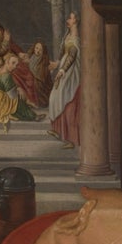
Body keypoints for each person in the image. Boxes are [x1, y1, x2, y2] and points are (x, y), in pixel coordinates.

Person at [45, 11, 81, 147]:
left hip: (72, 75)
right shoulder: (69, 35)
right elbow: (64, 53)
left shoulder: (76, 38)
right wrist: (57, 63)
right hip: (65, 71)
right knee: (55, 98)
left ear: (75, 21)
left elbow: (71, 56)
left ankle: (71, 139)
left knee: (68, 103)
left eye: (70, 18)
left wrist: (62, 70)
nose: (67, 20)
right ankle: (57, 129)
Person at [0, 52, 39, 125]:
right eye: (13, 63)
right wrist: (23, 96)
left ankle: (28, 110)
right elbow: (12, 96)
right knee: (17, 100)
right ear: (7, 62)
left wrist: (18, 88)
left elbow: (5, 87)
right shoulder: (6, 76)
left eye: (16, 65)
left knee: (15, 98)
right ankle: (33, 116)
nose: (14, 67)